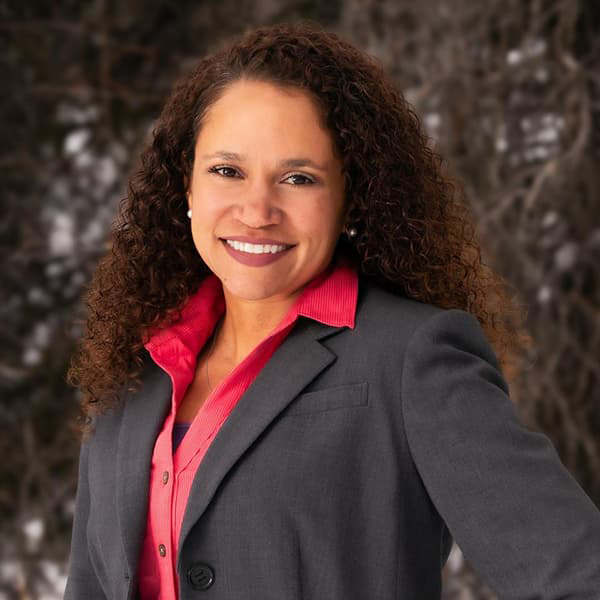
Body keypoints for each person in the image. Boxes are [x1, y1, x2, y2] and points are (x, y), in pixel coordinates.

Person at [64, 20, 600, 600]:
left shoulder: (410, 358)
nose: (257, 209)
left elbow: (578, 577)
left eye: (298, 178)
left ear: (351, 199)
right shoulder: (136, 366)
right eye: (227, 171)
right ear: (187, 189)